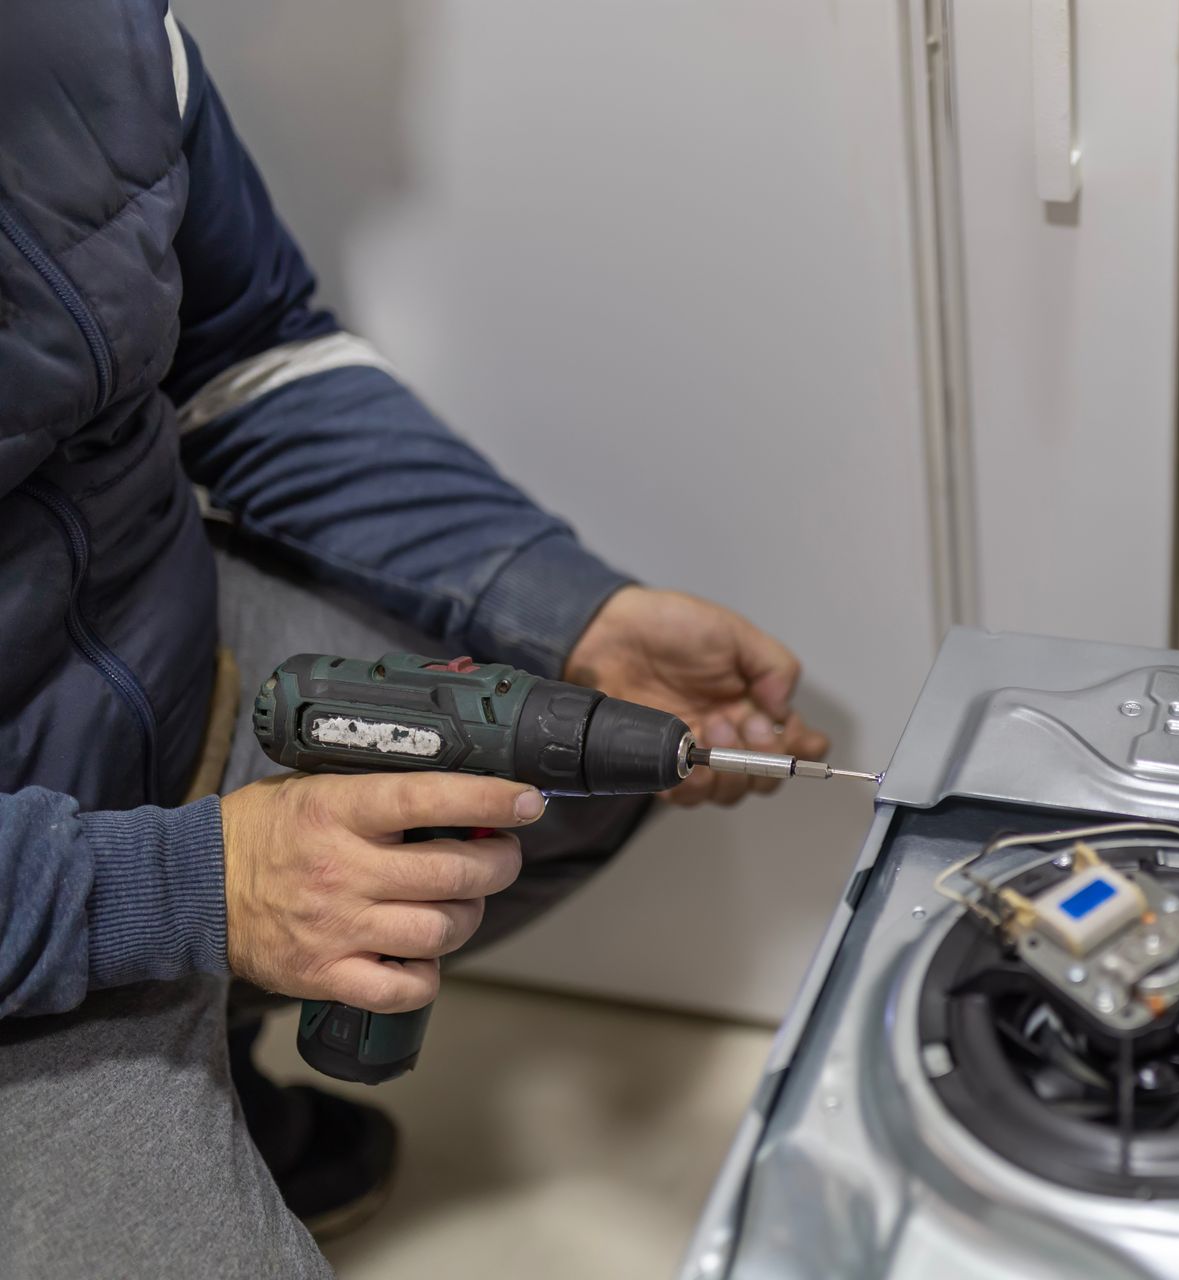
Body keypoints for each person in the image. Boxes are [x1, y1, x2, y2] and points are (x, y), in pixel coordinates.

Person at [0, 5, 827, 1275]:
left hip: (147, 656)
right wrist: (189, 890)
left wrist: (565, 605)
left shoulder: (93, 28)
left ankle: (213, 1060)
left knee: (548, 752)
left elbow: (252, 357)